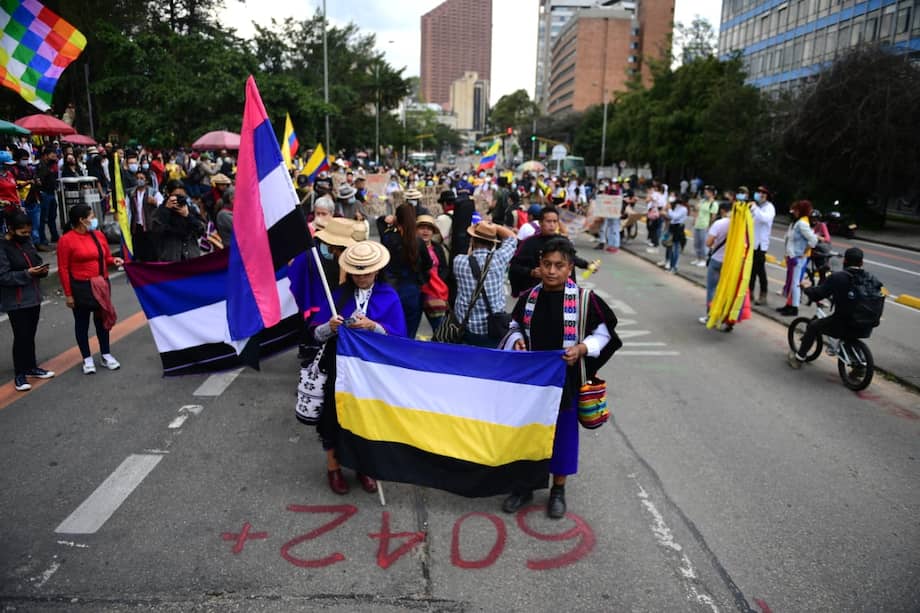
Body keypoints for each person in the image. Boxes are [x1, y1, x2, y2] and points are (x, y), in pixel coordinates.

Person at [501, 238, 621, 518]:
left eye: (559, 265)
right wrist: (517, 338)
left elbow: (604, 334)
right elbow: (514, 324)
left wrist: (581, 348)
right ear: (539, 266)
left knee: (563, 434)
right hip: (532, 380)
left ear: (569, 268)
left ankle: (558, 489)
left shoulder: (584, 299)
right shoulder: (529, 297)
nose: (552, 271)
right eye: (547, 265)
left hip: (565, 381)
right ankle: (525, 485)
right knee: (527, 430)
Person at [310, 241, 406, 495]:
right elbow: (315, 335)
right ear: (349, 272)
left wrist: (373, 326)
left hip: (371, 371)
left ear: (376, 271)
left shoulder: (389, 296)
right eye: (357, 271)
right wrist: (328, 327)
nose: (362, 276)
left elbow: (399, 338)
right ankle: (334, 468)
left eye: (367, 271)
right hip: (338, 367)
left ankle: (365, 468)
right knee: (333, 416)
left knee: (366, 417)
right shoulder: (336, 296)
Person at [57, 204, 124, 374]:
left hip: (101, 284)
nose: (94, 219)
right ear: (82, 220)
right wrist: (69, 295)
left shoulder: (99, 235)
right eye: (91, 216)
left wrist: (113, 261)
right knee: (82, 322)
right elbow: (63, 269)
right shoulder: (66, 240)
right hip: (80, 286)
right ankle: (87, 358)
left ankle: (106, 354)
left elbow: (106, 256)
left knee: (102, 321)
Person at [788, 247, 880, 368]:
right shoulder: (871, 278)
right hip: (867, 325)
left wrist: (806, 288)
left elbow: (818, 294)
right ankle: (859, 369)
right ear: (862, 263)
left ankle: (799, 358)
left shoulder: (838, 277)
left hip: (843, 324)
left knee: (813, 326)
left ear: (844, 261)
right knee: (850, 334)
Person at [0, 213, 54, 390]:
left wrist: (41, 269)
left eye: (28, 232)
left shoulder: (27, 242)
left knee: (30, 335)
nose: (26, 235)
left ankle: (31, 367)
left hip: (34, 296)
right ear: (11, 229)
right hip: (16, 300)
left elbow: (35, 259)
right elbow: (4, 276)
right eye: (22, 232)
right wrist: (27, 274)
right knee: (21, 336)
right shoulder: (3, 247)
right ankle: (20, 374)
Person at [452, 221, 517, 348]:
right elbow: (512, 238)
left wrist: (481, 226)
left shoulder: (458, 261)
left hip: (465, 327)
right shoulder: (499, 259)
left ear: (473, 240)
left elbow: (469, 256)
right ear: (493, 243)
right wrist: (493, 226)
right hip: (493, 328)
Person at [377, 204, 432, 338]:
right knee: (410, 333)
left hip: (391, 290)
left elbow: (380, 222)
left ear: (397, 219)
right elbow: (428, 264)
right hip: (413, 292)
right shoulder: (418, 241)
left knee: (392, 330)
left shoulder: (388, 238)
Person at [509, 207, 591, 297]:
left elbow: (572, 258)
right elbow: (515, 266)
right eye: (548, 221)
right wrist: (531, 272)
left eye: (555, 221)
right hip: (537, 293)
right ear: (540, 223)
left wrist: (587, 265)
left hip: (562, 292)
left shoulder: (563, 241)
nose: (552, 225)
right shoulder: (529, 243)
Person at [778, 200, 819, 316]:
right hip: (794, 256)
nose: (794, 212)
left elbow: (813, 240)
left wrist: (804, 252)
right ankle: (789, 305)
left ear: (800, 211)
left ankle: (794, 307)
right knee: (792, 282)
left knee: (795, 283)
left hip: (798, 258)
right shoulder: (799, 222)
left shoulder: (802, 223)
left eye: (796, 210)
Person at [151, 181, 206, 262]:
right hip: (170, 258)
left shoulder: (191, 210)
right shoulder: (160, 211)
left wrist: (188, 216)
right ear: (168, 194)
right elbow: (156, 232)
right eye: (176, 196)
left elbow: (201, 230)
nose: (178, 199)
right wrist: (166, 210)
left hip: (191, 257)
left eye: (182, 196)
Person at [700, 200, 732, 324]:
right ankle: (723, 316)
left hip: (717, 260)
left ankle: (710, 315)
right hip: (730, 263)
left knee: (712, 289)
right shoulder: (738, 225)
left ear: (723, 210)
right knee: (725, 290)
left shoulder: (719, 223)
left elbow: (708, 242)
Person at [416, 214, 450, 332]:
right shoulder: (412, 247)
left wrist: (439, 280)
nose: (425, 231)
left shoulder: (438, 248)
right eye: (422, 228)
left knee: (440, 329)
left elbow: (444, 268)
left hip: (436, 292)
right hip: (418, 292)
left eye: (429, 228)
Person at [126, 169, 163, 261]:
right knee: (139, 250)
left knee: (151, 251)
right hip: (137, 226)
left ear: (146, 180)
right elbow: (127, 208)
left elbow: (162, 205)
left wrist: (155, 202)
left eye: (142, 178)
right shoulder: (131, 193)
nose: (139, 180)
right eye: (137, 178)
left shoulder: (153, 192)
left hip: (150, 226)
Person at [750, 185, 776, 305]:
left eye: (763, 193)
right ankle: (749, 293)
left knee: (760, 271)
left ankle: (763, 294)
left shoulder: (769, 208)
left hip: (761, 244)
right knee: (750, 271)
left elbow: (764, 219)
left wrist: (755, 208)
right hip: (752, 243)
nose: (760, 195)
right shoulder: (756, 207)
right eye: (758, 192)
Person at [691, 185, 718, 267]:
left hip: (705, 225)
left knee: (704, 243)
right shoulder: (702, 201)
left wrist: (710, 226)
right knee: (697, 243)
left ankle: (703, 259)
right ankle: (698, 258)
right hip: (698, 224)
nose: (705, 194)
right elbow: (696, 210)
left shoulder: (714, 204)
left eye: (707, 192)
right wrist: (694, 220)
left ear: (711, 193)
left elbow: (713, 216)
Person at [662, 194, 688, 272]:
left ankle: (674, 267)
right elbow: (671, 217)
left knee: (675, 248)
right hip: (672, 227)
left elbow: (675, 217)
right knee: (669, 245)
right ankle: (670, 264)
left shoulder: (684, 209)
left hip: (678, 228)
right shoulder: (677, 207)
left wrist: (669, 210)